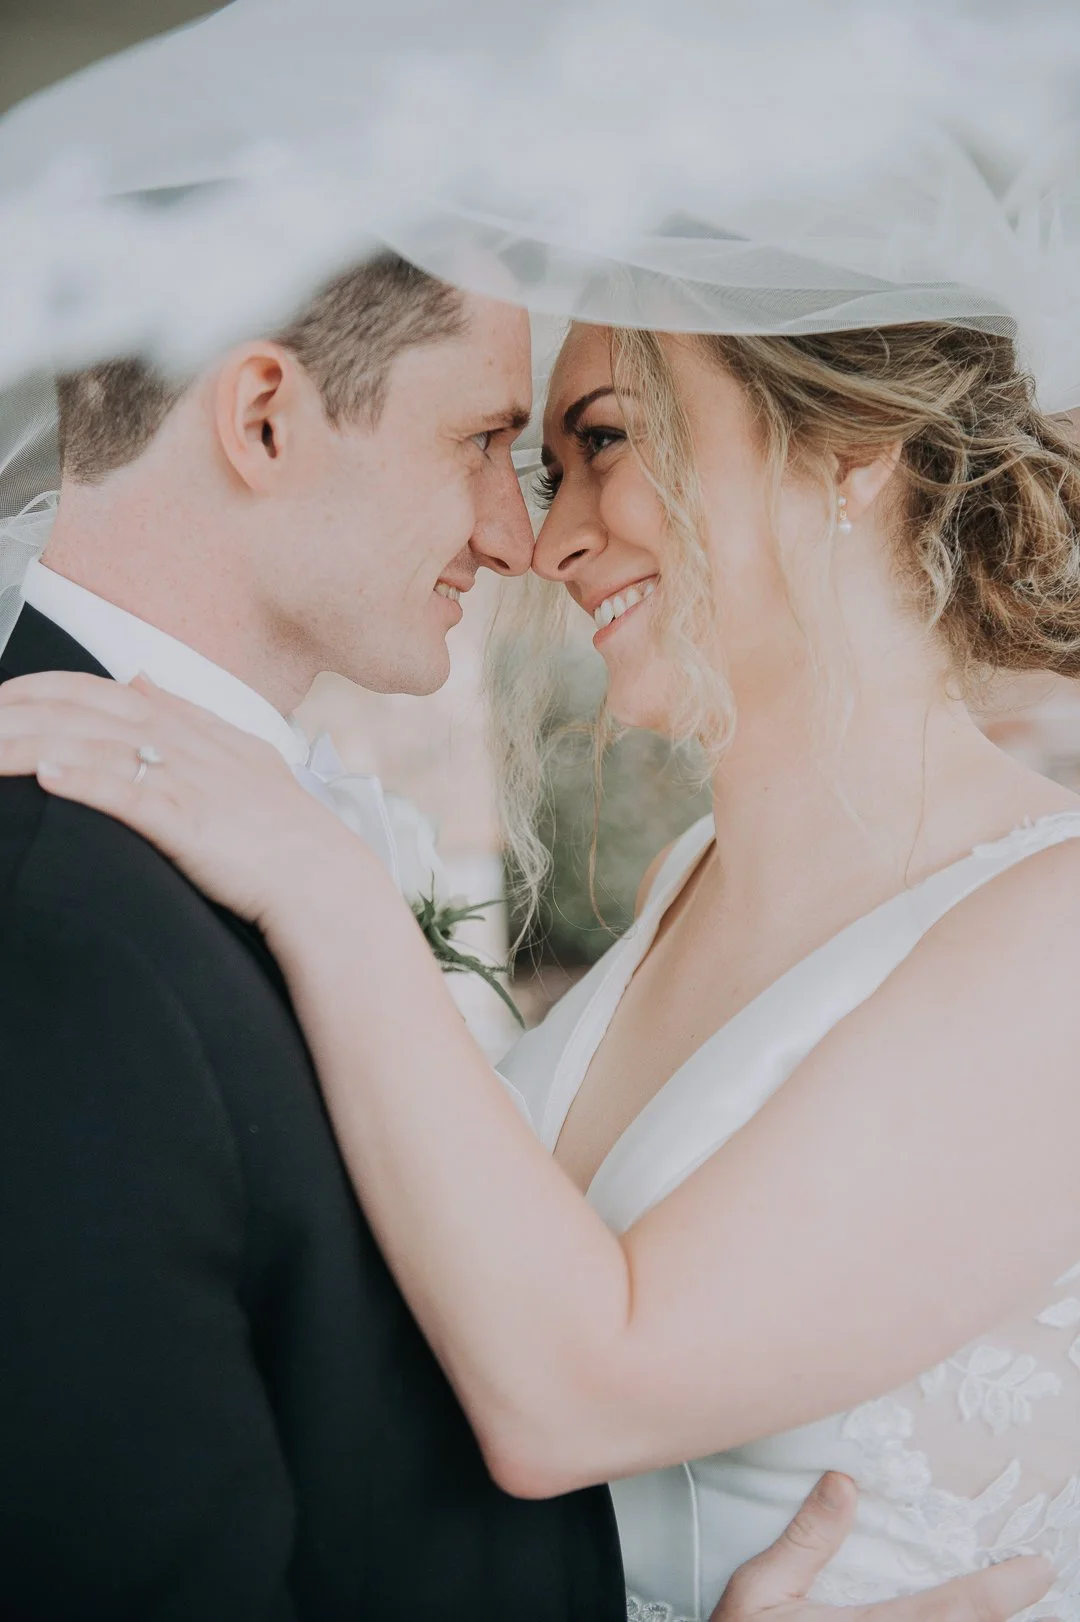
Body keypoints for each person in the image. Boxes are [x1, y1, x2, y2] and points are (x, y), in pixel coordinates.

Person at [4, 305, 1078, 1622]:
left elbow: (576, 1392)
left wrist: (322, 887)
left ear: (851, 445)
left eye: (604, 441)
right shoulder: (682, 880)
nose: (548, 540)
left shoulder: (1058, 929)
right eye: (534, 464)